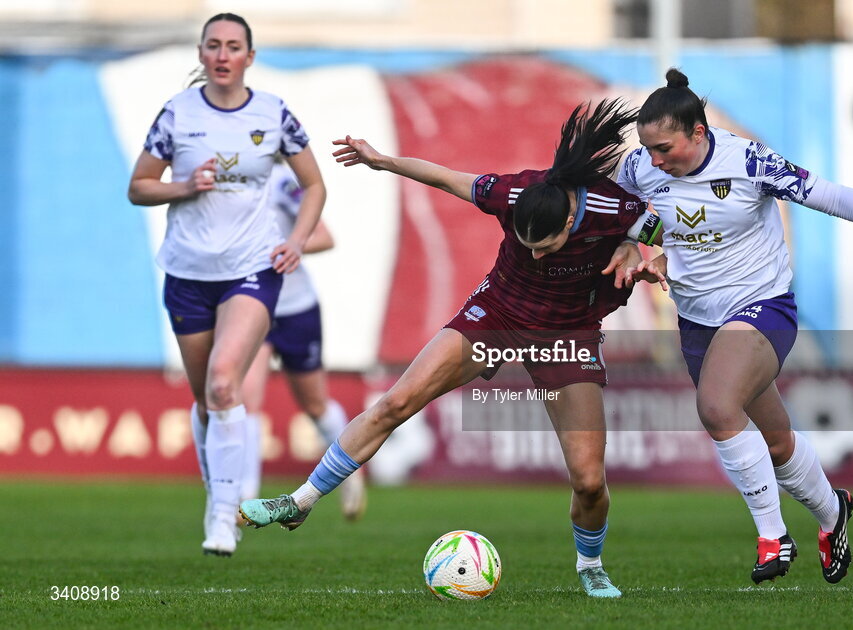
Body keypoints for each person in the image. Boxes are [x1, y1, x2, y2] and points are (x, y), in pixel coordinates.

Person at [240, 98, 665, 598]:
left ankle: (589, 564)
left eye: (544, 246)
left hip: (567, 334)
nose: (534, 253)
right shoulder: (511, 193)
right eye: (525, 243)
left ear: (571, 220)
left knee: (590, 480)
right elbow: (445, 177)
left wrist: (640, 249)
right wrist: (382, 160)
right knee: (396, 402)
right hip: (499, 315)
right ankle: (302, 500)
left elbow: (673, 234)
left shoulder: (615, 209)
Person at [621, 68, 853, 584]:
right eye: (648, 150)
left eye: (664, 148)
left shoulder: (749, 161)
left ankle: (773, 536)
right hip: (697, 320)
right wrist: (636, 242)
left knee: (716, 407)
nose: (655, 160)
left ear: (698, 132)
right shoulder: (641, 167)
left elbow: (834, 197)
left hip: (762, 307)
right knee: (777, 444)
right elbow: (610, 207)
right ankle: (833, 514)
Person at [127, 13, 326, 557]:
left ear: (249, 58)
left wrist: (297, 239)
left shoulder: (274, 113)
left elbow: (313, 186)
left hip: (250, 269)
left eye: (233, 46)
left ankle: (223, 516)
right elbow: (139, 188)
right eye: (213, 45)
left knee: (222, 383)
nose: (222, 55)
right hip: (188, 274)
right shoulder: (176, 113)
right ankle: (217, 492)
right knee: (203, 399)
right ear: (201, 53)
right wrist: (184, 186)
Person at [239, 159, 367, 521]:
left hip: (297, 309)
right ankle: (244, 498)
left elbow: (324, 236)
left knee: (315, 405)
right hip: (254, 307)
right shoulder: (224, 185)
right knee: (247, 400)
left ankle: (351, 477)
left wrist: (283, 248)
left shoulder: (281, 183)